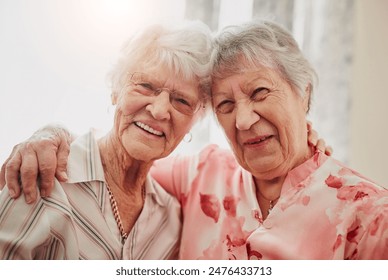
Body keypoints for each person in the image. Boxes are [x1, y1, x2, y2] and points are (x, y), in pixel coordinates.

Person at [3, 21, 373, 260]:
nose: (243, 119)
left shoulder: (371, 218)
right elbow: (112, 158)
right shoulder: (199, 176)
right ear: (115, 89)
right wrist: (50, 134)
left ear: (304, 94)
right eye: (226, 104)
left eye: (260, 92)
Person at [0, 21, 214, 259]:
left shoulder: (171, 223)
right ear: (116, 90)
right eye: (145, 86)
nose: (159, 110)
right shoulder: (43, 171)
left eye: (182, 101)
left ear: (193, 123)